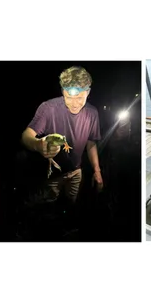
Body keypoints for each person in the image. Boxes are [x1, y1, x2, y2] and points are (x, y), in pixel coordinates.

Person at [21, 66, 103, 204]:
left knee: (71, 203)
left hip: (77, 172)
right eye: (68, 97)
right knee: (48, 205)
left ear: (88, 92)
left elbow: (91, 143)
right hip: (52, 174)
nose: (74, 103)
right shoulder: (48, 108)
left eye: (79, 98)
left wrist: (97, 170)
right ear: (63, 91)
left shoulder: (92, 113)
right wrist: (38, 144)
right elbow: (26, 135)